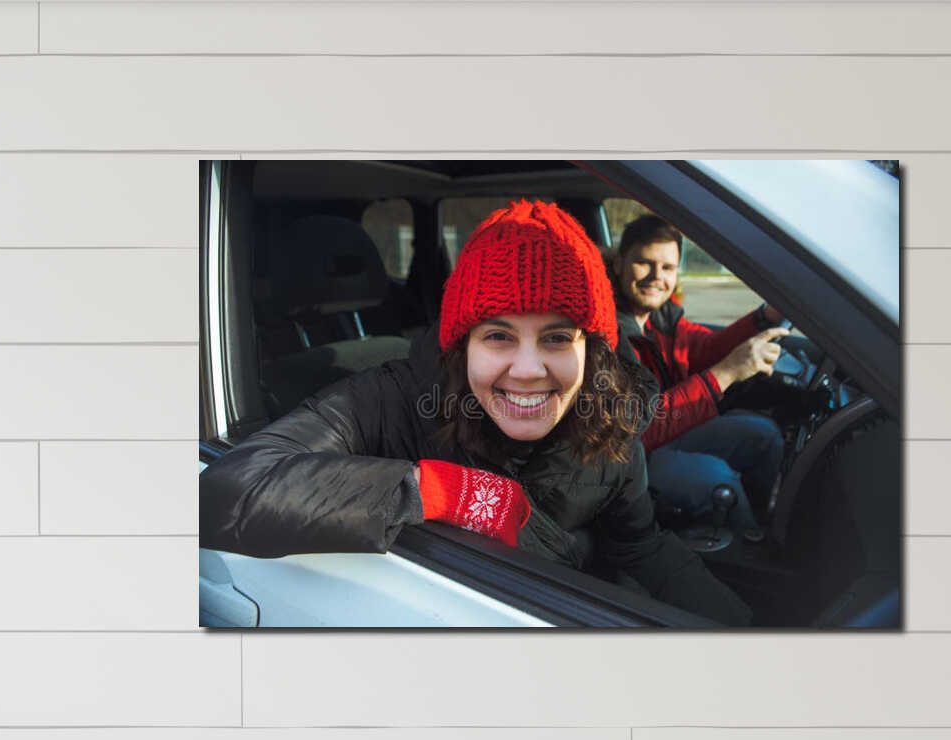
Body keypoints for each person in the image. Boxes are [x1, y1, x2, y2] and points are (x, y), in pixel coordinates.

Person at [200, 199, 752, 626]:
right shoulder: (393, 400)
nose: (529, 369)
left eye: (558, 336)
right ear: (462, 345)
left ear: (594, 348)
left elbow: (642, 543)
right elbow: (226, 491)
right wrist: (449, 494)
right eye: (498, 336)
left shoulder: (609, 421)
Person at [610, 213, 790, 541]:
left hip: (665, 430)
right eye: (643, 263)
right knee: (719, 479)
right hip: (629, 459)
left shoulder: (659, 315)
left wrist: (764, 317)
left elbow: (703, 348)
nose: (655, 277)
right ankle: (750, 551)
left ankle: (762, 526)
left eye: (667, 268)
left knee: (764, 437)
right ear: (620, 263)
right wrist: (726, 373)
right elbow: (637, 430)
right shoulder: (608, 331)